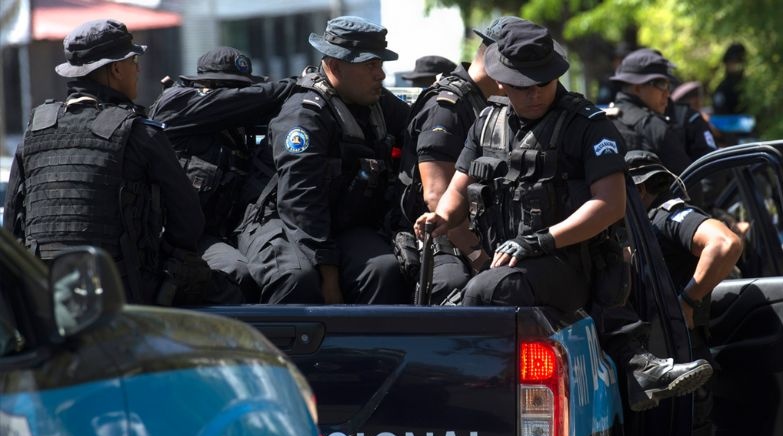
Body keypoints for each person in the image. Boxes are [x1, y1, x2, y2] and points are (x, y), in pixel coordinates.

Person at [414, 19, 711, 411]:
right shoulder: (486, 122)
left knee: (488, 291)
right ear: (503, 82)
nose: (536, 93)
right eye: (524, 85)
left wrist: (541, 240)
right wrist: (440, 219)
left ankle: (468, 390)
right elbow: (457, 190)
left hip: (570, 263)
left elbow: (610, 204)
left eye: (544, 82)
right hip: (502, 259)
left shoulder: (588, 125)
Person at [3, 19, 206, 306]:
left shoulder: (36, 130)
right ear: (116, 68)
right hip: (121, 301)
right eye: (133, 60)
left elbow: (12, 224)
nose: (138, 69)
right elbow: (189, 222)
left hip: (45, 303)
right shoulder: (139, 133)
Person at [241, 16, 411, 305]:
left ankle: (368, 349)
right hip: (279, 220)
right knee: (297, 280)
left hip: (340, 221)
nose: (380, 75)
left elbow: (418, 125)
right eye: (370, 65)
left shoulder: (376, 103)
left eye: (380, 65)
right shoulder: (304, 115)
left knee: (385, 270)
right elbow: (301, 202)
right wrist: (329, 277)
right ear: (335, 66)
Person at [626, 149, 743, 436]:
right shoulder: (642, 225)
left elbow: (724, 244)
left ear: (639, 189)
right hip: (659, 365)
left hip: (680, 358)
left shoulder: (666, 215)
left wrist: (687, 302)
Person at [149, 46, 296, 301]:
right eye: (228, 88)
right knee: (235, 272)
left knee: (282, 269)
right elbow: (247, 100)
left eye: (241, 88)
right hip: (175, 237)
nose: (237, 96)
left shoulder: (237, 132)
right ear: (205, 85)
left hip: (222, 232)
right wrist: (295, 83)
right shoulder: (176, 105)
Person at [395, 16, 516, 303]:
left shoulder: (486, 103)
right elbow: (436, 196)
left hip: (481, 226)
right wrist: (479, 257)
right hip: (438, 233)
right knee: (455, 284)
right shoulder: (447, 107)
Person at [606, 48, 694, 176]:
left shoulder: (601, 122)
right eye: (661, 84)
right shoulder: (655, 128)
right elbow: (690, 186)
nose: (667, 94)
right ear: (637, 88)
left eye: (669, 86)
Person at [712, 42, 746, 115]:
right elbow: (719, 116)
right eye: (733, 62)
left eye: (739, 62)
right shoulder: (722, 89)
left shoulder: (749, 87)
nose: (736, 66)